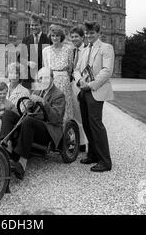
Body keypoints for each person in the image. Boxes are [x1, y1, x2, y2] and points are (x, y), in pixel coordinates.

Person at [0, 67, 66, 180]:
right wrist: (28, 106)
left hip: (48, 129)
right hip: (31, 125)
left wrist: (43, 102)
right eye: (40, 78)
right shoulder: (37, 91)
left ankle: (22, 162)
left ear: (52, 79)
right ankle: (7, 147)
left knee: (28, 121)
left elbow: (57, 119)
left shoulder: (59, 95)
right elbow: (27, 111)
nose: (43, 80)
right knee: (8, 114)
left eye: (46, 78)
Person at [74, 21, 114, 172]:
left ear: (98, 34)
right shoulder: (85, 50)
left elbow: (107, 71)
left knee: (96, 125)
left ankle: (105, 161)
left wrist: (90, 85)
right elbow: (77, 69)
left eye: (92, 33)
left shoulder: (106, 48)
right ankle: (93, 154)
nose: (89, 35)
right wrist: (79, 81)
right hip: (83, 90)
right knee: (87, 124)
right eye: (87, 33)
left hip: (96, 90)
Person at [42, 24, 74, 123]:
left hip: (64, 81)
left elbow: (70, 68)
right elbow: (46, 68)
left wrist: (65, 78)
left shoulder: (68, 49)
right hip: (51, 82)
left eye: (57, 35)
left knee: (66, 108)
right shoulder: (45, 50)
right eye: (52, 36)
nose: (55, 38)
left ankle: (67, 132)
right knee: (51, 106)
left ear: (61, 36)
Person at [69, 25, 89, 153]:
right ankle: (79, 142)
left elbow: (88, 69)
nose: (74, 39)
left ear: (82, 37)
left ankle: (86, 143)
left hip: (82, 85)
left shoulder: (87, 50)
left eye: (76, 36)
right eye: (72, 37)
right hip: (70, 85)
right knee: (74, 114)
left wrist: (81, 82)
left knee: (83, 115)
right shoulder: (71, 50)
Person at [20, 14, 52, 89]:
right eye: (32, 25)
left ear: (41, 25)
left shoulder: (48, 40)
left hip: (43, 77)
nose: (34, 27)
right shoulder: (25, 39)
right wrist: (28, 63)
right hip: (27, 78)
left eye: (36, 25)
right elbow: (20, 58)